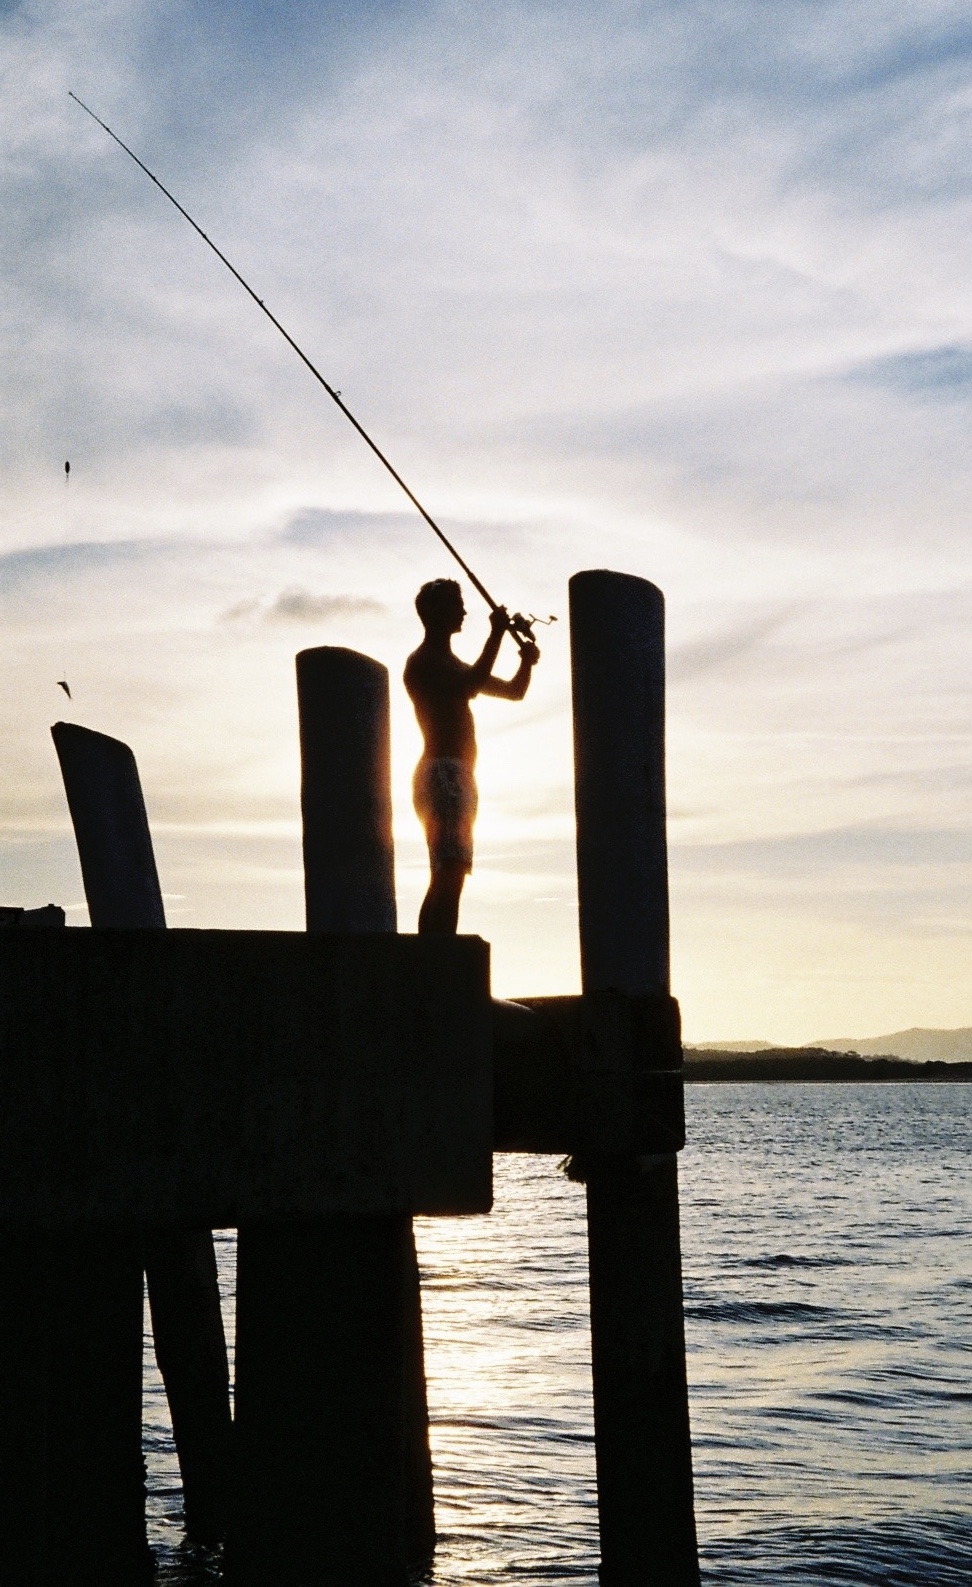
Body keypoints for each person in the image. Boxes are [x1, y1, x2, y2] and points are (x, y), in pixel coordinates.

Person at [405, 578, 539, 933]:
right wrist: (496, 634)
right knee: (449, 870)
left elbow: (514, 692)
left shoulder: (451, 663)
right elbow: (471, 686)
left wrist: (526, 663)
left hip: (457, 774)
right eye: (456, 603)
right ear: (434, 612)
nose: (464, 610)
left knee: (451, 871)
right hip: (444, 774)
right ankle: (439, 957)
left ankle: (437, 954)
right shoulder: (423, 662)